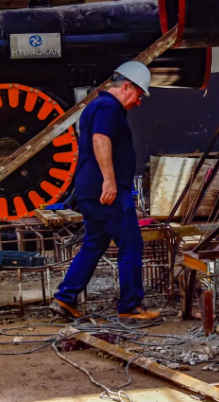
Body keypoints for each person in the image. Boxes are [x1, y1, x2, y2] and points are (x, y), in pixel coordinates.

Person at [50, 61, 160, 321]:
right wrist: (110, 181)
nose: (139, 102)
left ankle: (65, 298)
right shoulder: (108, 107)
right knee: (131, 244)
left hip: (91, 190)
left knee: (94, 244)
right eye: (139, 94)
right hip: (106, 191)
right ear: (126, 87)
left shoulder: (96, 106)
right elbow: (101, 139)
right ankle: (130, 307)